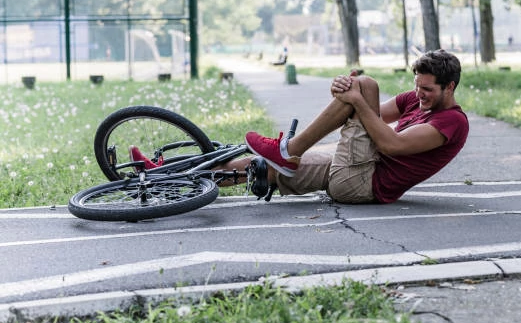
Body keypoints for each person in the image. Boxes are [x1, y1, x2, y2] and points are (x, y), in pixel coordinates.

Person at [131, 49, 469, 204]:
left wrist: (356, 99)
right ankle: (164, 178)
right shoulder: (415, 98)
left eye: (427, 89)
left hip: (364, 184)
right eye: (417, 85)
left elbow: (390, 145)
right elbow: (363, 116)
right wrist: (345, 96)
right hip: (357, 164)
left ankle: (288, 150)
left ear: (449, 87)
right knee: (267, 169)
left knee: (365, 85)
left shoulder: (451, 122)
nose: (419, 94)